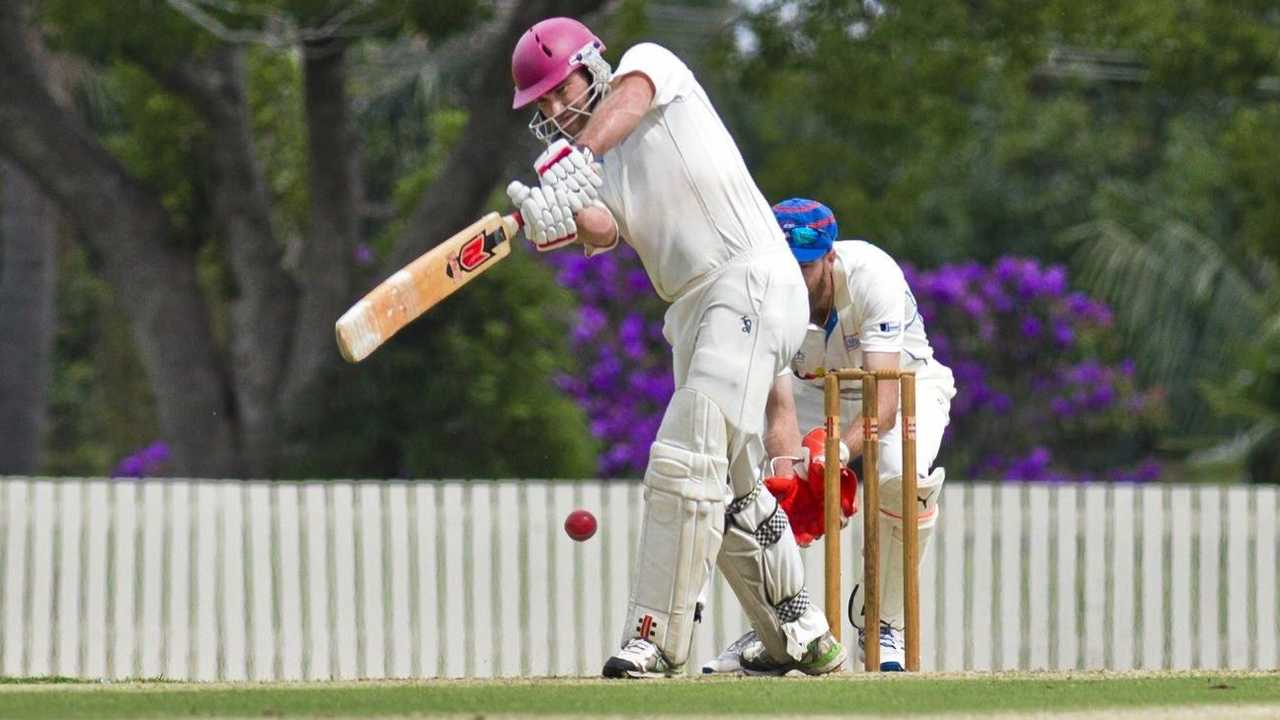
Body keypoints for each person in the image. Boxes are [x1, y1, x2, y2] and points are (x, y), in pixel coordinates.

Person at [505, 19, 845, 677]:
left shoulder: (648, 68)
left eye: (557, 89)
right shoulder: (595, 168)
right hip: (693, 312)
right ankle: (801, 634)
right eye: (540, 105)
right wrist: (558, 215)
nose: (554, 110)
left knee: (686, 454)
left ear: (592, 65)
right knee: (734, 488)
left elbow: (626, 106)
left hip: (749, 276)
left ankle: (655, 638)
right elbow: (602, 231)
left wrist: (573, 165)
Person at [704, 198, 955, 673]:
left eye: (807, 266)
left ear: (830, 258)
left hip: (904, 382)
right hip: (812, 391)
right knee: (762, 495)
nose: (796, 278)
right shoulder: (763, 290)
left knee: (903, 481)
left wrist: (832, 452)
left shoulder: (872, 274)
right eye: (788, 266)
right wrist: (791, 468)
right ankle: (780, 630)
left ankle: (882, 621)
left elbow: (882, 404)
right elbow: (779, 411)